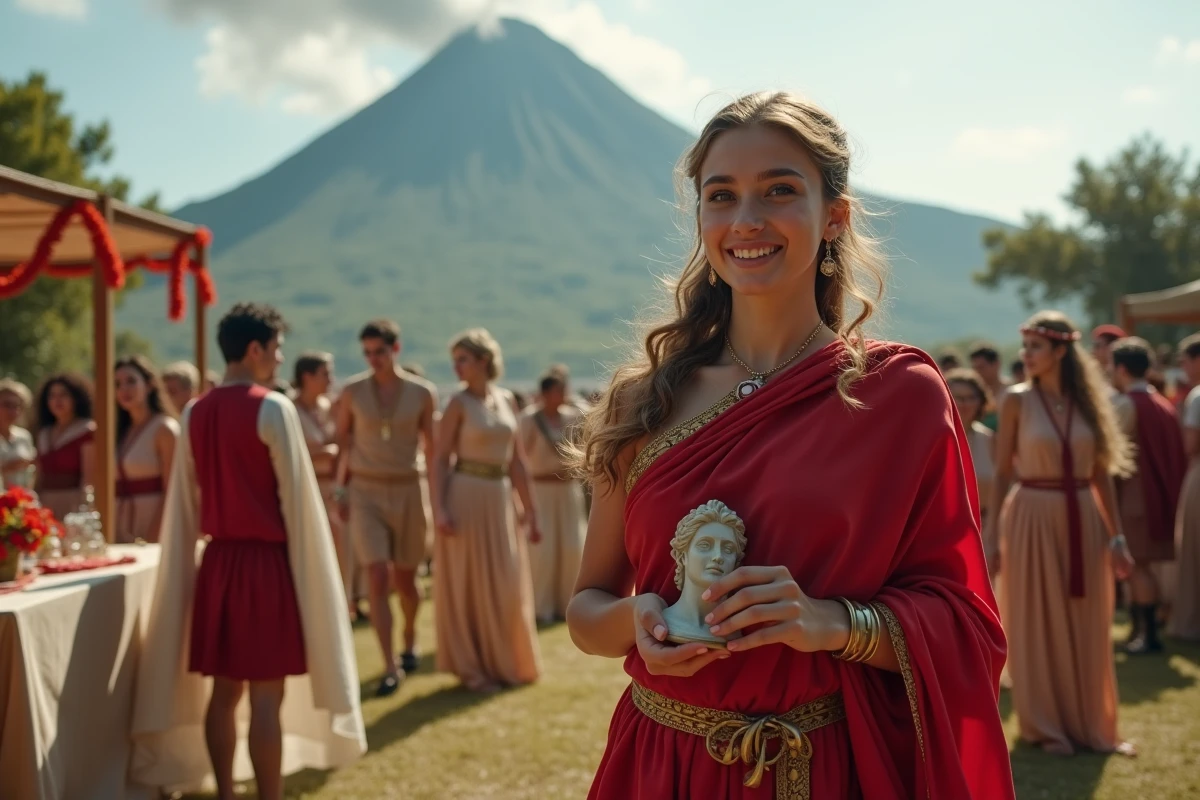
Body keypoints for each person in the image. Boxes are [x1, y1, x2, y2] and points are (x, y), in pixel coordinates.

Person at [565, 92, 1012, 799]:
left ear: (834, 216)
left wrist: (829, 623)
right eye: (721, 196)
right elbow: (587, 609)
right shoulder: (641, 401)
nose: (746, 220)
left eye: (779, 190)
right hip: (658, 767)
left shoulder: (899, 397)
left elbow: (966, 627)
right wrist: (637, 617)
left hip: (829, 768)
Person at [130, 303, 364, 800]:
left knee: (223, 692)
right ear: (255, 349)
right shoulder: (271, 407)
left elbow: (185, 505)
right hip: (265, 566)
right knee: (265, 696)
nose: (280, 360)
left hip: (216, 565)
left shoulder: (194, 412)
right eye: (276, 350)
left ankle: (226, 794)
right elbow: (298, 504)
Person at [989, 311, 1136, 757]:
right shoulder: (1015, 400)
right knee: (1037, 621)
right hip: (1031, 515)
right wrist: (993, 535)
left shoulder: (1091, 402)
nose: (1026, 356)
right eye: (1025, 347)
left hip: (1084, 519)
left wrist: (1118, 537)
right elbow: (999, 474)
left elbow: (1102, 474)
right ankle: (1045, 727)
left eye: (1035, 347)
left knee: (1089, 621)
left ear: (1059, 352)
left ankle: (1093, 727)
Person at [433, 328, 543, 693]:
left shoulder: (506, 399)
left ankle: (507, 661)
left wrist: (531, 510)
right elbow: (438, 459)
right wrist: (439, 509)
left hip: (500, 501)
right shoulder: (457, 404)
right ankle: (473, 669)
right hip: (465, 498)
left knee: (505, 581)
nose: (456, 367)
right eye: (455, 360)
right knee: (470, 583)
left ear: (483, 361)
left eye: (463, 359)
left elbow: (518, 462)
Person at [335, 319, 439, 696]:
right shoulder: (351, 392)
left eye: (379, 351)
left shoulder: (423, 393)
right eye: (367, 352)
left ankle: (410, 636)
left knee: (407, 582)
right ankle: (389, 665)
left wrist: (438, 506)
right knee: (377, 576)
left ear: (395, 349)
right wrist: (339, 491)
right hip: (365, 490)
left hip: (409, 489)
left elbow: (432, 452)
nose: (373, 359)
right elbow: (343, 442)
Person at [1109, 338, 1187, 653]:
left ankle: (1147, 634)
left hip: (1134, 496)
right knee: (1144, 566)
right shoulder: (1163, 404)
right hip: (1157, 494)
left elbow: (1114, 456)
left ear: (1121, 368)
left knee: (1138, 565)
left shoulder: (1127, 405)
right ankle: (1143, 631)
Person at [519, 371, 586, 623]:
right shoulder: (529, 419)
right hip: (541, 490)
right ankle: (541, 608)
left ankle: (567, 605)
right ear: (546, 393)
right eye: (558, 390)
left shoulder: (571, 417)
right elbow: (518, 457)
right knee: (543, 552)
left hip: (568, 489)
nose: (562, 395)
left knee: (571, 547)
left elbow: (590, 417)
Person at [294, 352, 354, 619]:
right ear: (307, 377)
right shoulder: (289, 410)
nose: (331, 379)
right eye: (325, 373)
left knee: (340, 548)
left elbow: (343, 448)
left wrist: (341, 488)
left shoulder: (329, 408)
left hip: (333, 488)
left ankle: (337, 609)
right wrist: (323, 453)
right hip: (304, 491)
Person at [114, 355, 180, 543]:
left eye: (131, 381)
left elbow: (171, 491)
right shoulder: (119, 432)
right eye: (118, 384)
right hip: (120, 526)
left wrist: (154, 536)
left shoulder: (165, 429)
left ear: (149, 385)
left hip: (153, 525)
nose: (123, 389)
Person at [33, 373, 96, 520]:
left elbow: (88, 478)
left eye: (64, 395)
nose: (57, 400)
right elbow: (39, 475)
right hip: (46, 504)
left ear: (76, 398)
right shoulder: (44, 433)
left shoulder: (87, 430)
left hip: (73, 503)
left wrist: (83, 510)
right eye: (52, 396)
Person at [1170, 333, 1200, 641]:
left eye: (1186, 360)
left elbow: (1191, 444)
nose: (1183, 367)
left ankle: (1191, 622)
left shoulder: (1197, 396)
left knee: (1192, 550)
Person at [0, 378, 36, 491]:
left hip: (20, 501)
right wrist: (6, 468)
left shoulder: (24, 437)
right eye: (7, 405)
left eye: (17, 406)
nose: (12, 411)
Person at [969, 343, 1008, 431]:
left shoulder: (1011, 392)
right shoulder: (972, 395)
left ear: (996, 364)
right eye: (974, 368)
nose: (977, 372)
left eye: (981, 367)